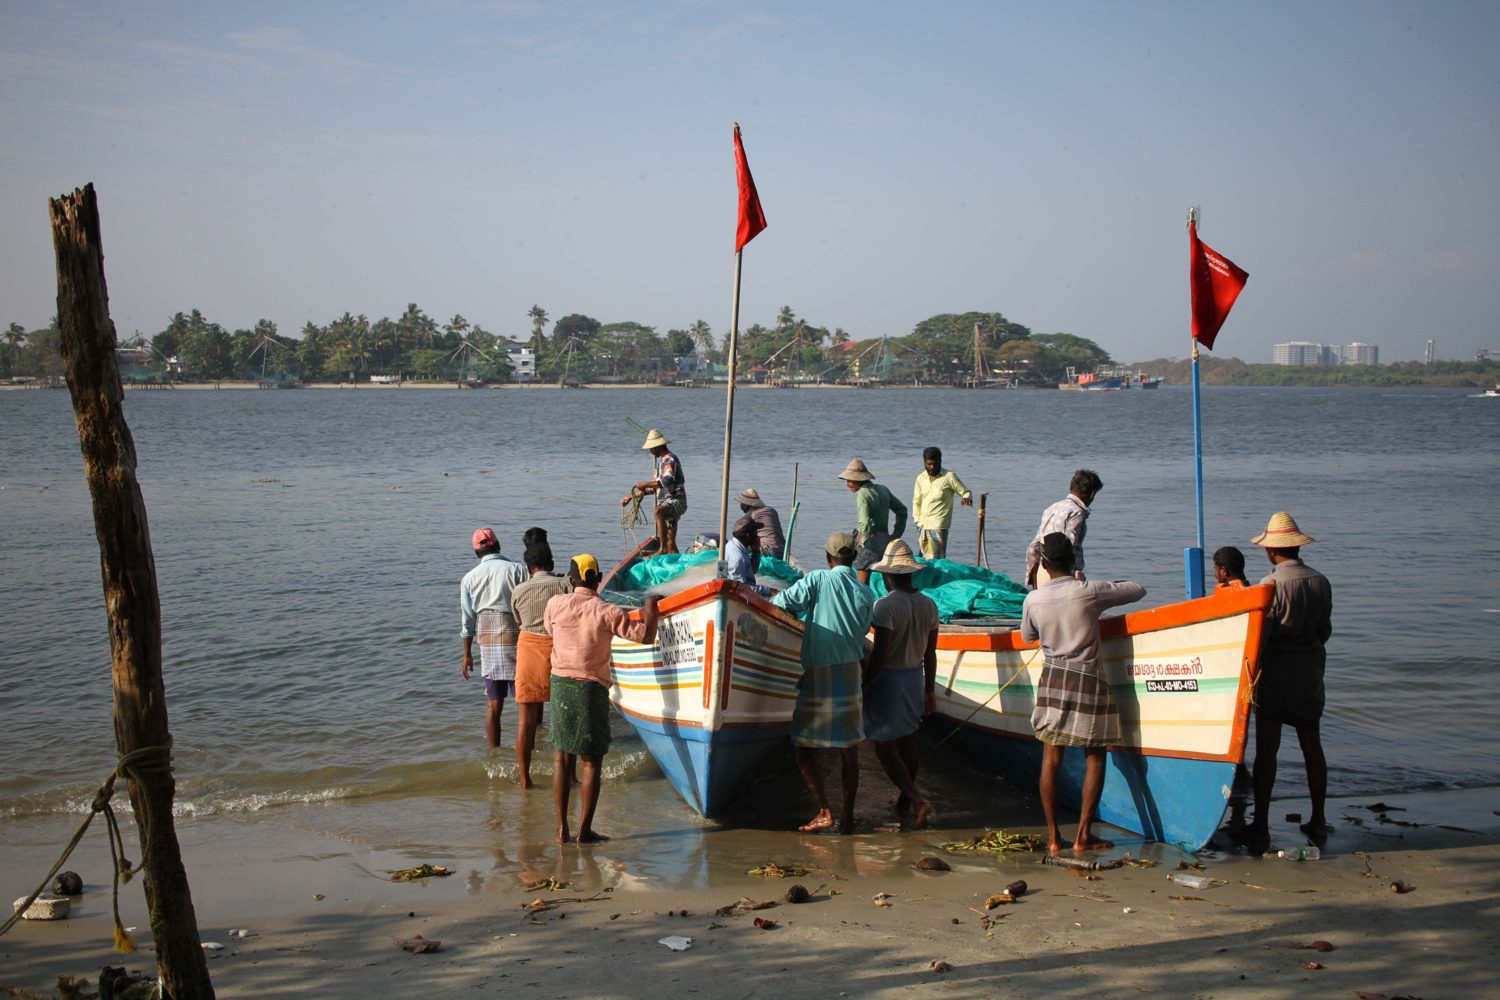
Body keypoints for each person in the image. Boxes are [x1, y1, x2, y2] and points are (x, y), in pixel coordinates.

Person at [1021, 533, 1146, 855]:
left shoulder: (1033, 600)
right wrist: (1084, 581)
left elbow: (1027, 636)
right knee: (1095, 757)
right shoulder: (1088, 591)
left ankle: (1052, 838)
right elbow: (1137, 589)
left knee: (1051, 759)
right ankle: (1082, 837)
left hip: (1053, 678)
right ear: (1073, 561)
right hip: (1089, 678)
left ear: (1045, 564)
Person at [544, 554, 661, 843]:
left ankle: (561, 829)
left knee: (561, 757)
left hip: (559, 683)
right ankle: (585, 831)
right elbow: (644, 637)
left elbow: (550, 631)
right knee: (592, 762)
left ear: (571, 581)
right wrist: (651, 605)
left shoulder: (555, 605)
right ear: (597, 579)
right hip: (590, 688)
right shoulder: (606, 611)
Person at [772, 532, 875, 833]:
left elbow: (783, 601)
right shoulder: (866, 592)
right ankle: (849, 817)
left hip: (819, 672)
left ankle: (824, 810)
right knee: (848, 749)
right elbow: (865, 626)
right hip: (850, 673)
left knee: (803, 746)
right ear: (852, 559)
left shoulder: (818, 579)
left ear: (829, 559)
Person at [1245, 512, 1333, 848]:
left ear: (1271, 551)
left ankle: (1262, 823)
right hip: (1310, 671)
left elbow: (1261, 636)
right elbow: (1325, 630)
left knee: (1267, 749)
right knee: (1312, 744)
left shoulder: (1270, 586)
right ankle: (1319, 819)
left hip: (1277, 673)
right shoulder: (1320, 581)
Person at [863, 539, 940, 829]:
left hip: (890, 679)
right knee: (908, 739)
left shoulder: (885, 606)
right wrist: (930, 689)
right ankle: (905, 802)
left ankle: (916, 800)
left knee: (883, 745)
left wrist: (866, 683)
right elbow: (930, 653)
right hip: (914, 678)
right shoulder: (928, 604)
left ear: (887, 576)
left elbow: (880, 654)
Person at [510, 535, 573, 788]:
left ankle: (525, 779)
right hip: (558, 649)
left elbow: (518, 621)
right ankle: (570, 776)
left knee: (525, 722)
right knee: (563, 718)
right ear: (552, 562)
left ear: (528, 568)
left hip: (528, 650)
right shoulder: (563, 585)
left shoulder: (519, 590)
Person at [459, 527, 529, 750]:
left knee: (493, 705)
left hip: (487, 641)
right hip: (516, 637)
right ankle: (528, 751)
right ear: (498, 545)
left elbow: (468, 620)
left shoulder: (469, 578)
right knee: (524, 704)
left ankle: (494, 752)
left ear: (477, 553)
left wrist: (467, 654)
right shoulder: (517, 570)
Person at [1024, 469, 1103, 589]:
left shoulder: (1052, 507)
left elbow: (1034, 546)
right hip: (1060, 575)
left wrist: (1034, 575)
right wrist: (1075, 577)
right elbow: (1069, 547)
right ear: (1092, 493)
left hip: (1042, 570)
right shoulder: (1077, 512)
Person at [838, 459, 908, 586]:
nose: (847, 484)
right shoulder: (883, 489)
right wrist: (895, 535)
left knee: (862, 583)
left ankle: (862, 604)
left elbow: (864, 522)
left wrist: (863, 541)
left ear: (858, 480)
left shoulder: (863, 495)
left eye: (849, 480)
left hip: (870, 544)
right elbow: (902, 510)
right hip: (885, 541)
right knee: (888, 579)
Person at [622, 428, 686, 554]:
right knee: (671, 542)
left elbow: (667, 481)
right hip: (667, 505)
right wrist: (630, 497)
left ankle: (661, 550)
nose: (651, 452)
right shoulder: (661, 464)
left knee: (658, 512)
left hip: (676, 502)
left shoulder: (669, 459)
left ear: (657, 447)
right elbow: (652, 488)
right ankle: (674, 561)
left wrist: (644, 484)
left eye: (651, 448)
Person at [911, 446, 972, 561]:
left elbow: (965, 491)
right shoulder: (920, 478)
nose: (932, 467)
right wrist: (917, 520)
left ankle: (938, 578)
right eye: (929, 464)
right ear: (924, 463)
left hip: (938, 524)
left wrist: (966, 497)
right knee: (925, 559)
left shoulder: (949, 477)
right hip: (922, 525)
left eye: (935, 464)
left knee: (936, 560)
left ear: (940, 461)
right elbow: (916, 501)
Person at [732, 488, 785, 560]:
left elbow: (739, 533)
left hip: (769, 551)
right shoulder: (771, 510)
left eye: (742, 503)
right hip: (783, 550)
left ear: (747, 504)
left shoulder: (751, 514)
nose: (740, 506)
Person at [723, 521, 772, 596]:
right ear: (748, 536)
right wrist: (768, 590)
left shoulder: (732, 544)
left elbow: (751, 571)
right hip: (735, 594)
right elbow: (740, 588)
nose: (757, 536)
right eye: (755, 533)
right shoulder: (738, 558)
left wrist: (756, 551)